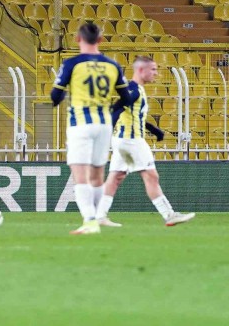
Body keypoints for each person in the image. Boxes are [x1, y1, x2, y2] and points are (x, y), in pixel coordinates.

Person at [50, 22, 132, 235]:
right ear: (101, 40)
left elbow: (55, 97)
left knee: (80, 174)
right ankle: (98, 218)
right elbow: (126, 97)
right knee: (97, 174)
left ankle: (89, 221)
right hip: (104, 124)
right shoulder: (113, 65)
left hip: (80, 124)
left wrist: (65, 93)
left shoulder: (72, 64)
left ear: (78, 39)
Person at [96, 56, 195, 227]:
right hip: (131, 140)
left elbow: (130, 113)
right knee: (151, 175)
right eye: (153, 69)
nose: (156, 74)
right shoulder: (133, 90)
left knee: (115, 177)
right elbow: (116, 109)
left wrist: (153, 129)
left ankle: (99, 216)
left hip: (122, 139)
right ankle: (169, 214)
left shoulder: (136, 89)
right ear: (141, 70)